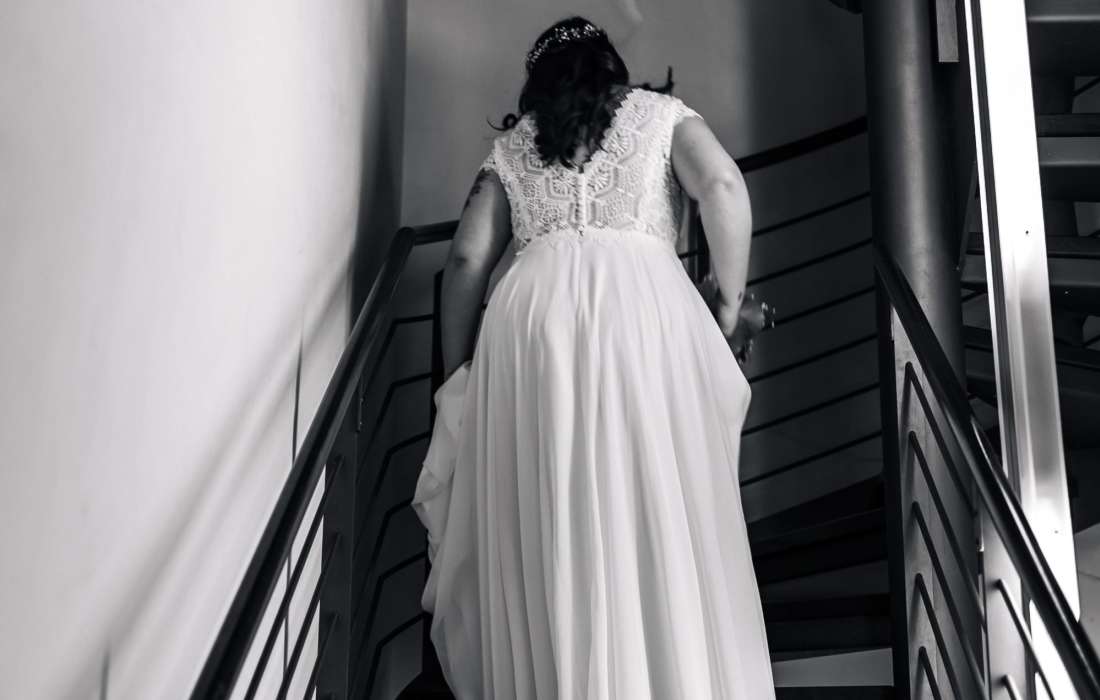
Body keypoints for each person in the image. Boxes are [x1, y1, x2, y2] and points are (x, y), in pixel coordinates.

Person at [410, 15, 776, 699]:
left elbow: (464, 261)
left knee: (550, 507)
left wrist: (457, 378)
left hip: (531, 324)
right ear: (610, 65)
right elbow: (724, 187)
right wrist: (727, 308)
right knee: (653, 494)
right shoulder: (661, 116)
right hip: (643, 310)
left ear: (539, 82)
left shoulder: (515, 147)